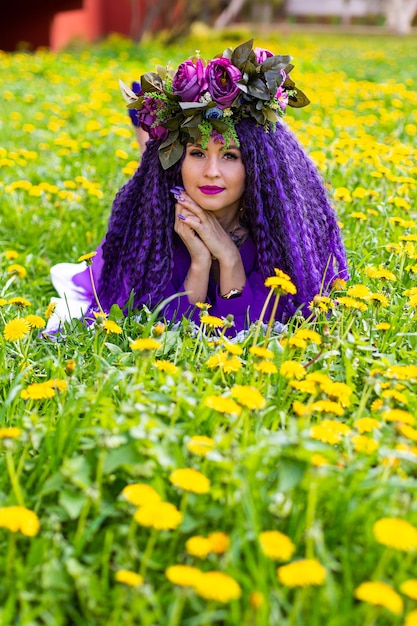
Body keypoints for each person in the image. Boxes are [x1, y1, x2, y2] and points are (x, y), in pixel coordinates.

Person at [46, 39, 348, 336]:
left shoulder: (278, 236)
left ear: (256, 166)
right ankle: (149, 131)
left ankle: (148, 128)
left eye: (230, 155)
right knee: (153, 161)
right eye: (198, 153)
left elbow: (244, 329)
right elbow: (174, 329)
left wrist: (229, 257)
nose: (212, 173)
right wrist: (200, 263)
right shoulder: (150, 234)